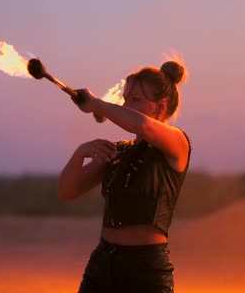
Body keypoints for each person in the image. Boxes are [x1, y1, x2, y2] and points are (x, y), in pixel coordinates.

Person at [58, 61, 191, 293]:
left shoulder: (177, 143)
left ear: (160, 107)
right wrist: (80, 153)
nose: (127, 104)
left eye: (136, 99)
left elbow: (144, 127)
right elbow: (67, 192)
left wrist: (96, 104)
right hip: (102, 267)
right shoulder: (118, 151)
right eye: (125, 97)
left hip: (145, 272)